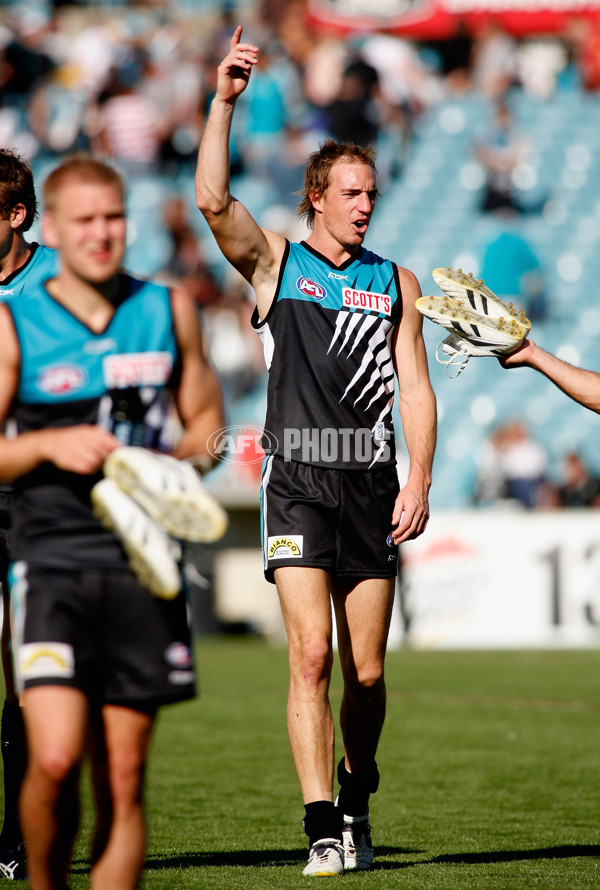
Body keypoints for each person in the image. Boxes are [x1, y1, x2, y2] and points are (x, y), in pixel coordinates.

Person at [195, 27, 436, 877]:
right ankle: (321, 825)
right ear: (316, 198)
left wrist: (422, 477)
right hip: (296, 480)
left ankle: (357, 789)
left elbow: (415, 386)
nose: (366, 204)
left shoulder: (395, 281)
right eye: (351, 192)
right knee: (310, 656)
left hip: (372, 487)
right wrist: (225, 100)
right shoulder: (277, 266)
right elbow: (214, 202)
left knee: (365, 677)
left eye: (371, 191)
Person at [0, 154, 224, 890]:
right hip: (52, 556)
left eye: (114, 218)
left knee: (122, 777)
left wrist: (178, 463)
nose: (102, 234)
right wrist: (43, 445)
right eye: (87, 220)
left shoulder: (168, 311)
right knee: (56, 759)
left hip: (142, 561)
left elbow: (210, 428)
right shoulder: (14, 321)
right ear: (55, 227)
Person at [0, 148, 58, 880]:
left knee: (23, 678)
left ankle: (15, 832)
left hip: (41, 499)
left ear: (15, 216)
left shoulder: (65, 281)